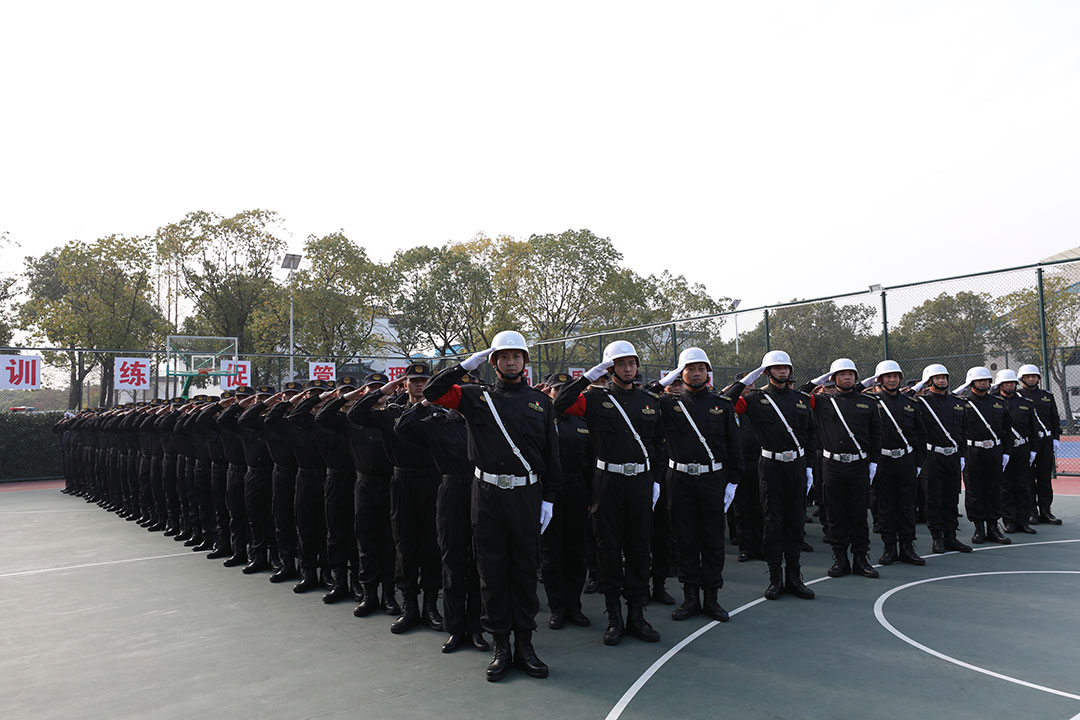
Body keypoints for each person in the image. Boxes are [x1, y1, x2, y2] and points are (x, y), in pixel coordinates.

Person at [425, 330, 561, 682]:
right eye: (503, 356)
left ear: (524, 362)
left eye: (516, 356)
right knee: (492, 571)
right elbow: (433, 392)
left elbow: (551, 454)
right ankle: (501, 646)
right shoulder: (475, 397)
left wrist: (548, 499)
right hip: (486, 496)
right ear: (493, 362)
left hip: (526, 495)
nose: (511, 362)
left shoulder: (540, 402)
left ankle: (525, 646)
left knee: (525, 570)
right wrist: (463, 366)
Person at [554, 340, 661, 646]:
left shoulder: (650, 400)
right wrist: (589, 376)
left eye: (632, 363)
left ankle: (637, 615)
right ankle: (614, 617)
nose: (627, 369)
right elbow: (560, 405)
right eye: (621, 364)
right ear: (610, 368)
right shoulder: (594, 398)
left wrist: (655, 480)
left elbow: (658, 442)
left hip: (640, 480)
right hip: (608, 481)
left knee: (639, 548)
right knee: (608, 548)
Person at [396, 375, 489, 653]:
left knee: (479, 562)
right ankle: (455, 627)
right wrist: (426, 401)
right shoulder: (436, 422)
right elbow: (403, 427)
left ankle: (476, 626)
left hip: (482, 491)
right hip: (450, 492)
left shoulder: (486, 422)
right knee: (451, 559)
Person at [351, 364, 443, 634]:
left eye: (424, 380)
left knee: (431, 545)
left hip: (431, 481)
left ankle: (430, 606)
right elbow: (356, 414)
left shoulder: (438, 412)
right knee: (404, 545)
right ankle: (409, 606)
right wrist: (382, 391)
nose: (419, 384)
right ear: (404, 384)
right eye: (413, 380)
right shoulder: (391, 413)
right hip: (401, 482)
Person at [723, 351, 817, 600]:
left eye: (786, 367)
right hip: (770, 466)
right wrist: (746, 381)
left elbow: (811, 434)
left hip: (796, 465)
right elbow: (725, 403)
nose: (783, 371)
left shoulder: (802, 399)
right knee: (773, 521)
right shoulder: (754, 399)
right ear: (767, 372)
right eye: (776, 367)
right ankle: (775, 578)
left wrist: (808, 466)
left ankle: (794, 577)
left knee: (795, 521)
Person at [657, 347, 742, 621]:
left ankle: (712, 598)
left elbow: (734, 447)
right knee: (685, 539)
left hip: (712, 479)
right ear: (680, 373)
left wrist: (733, 483)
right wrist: (664, 382)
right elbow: (642, 396)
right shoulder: (667, 404)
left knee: (713, 540)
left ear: (708, 373)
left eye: (701, 369)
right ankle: (690, 597)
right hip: (680, 480)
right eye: (690, 369)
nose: (696, 373)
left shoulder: (722, 405)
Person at [536, 372, 593, 630]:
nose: (560, 394)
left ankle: (574, 606)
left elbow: (591, 459)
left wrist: (590, 496)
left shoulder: (582, 421)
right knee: (552, 554)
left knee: (577, 552)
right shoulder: (542, 419)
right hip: (550, 491)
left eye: (565, 389)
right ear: (549, 392)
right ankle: (557, 608)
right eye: (556, 389)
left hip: (577, 489)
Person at [863, 361, 927, 566]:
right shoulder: (871, 402)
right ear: (880, 379)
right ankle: (889, 547)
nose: (892, 380)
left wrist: (919, 462)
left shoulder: (911, 404)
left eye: (895, 376)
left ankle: (907, 547)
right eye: (888, 376)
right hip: (882, 460)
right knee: (885, 505)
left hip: (906, 459)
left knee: (907, 505)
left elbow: (920, 434)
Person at [914, 364, 972, 554]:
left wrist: (962, 455)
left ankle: (951, 536)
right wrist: (919, 385)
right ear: (929, 381)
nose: (942, 381)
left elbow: (963, 431)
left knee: (951, 497)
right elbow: (903, 398)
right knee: (933, 498)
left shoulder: (957, 402)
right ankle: (937, 537)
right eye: (937, 378)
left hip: (953, 456)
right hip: (932, 457)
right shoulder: (921, 403)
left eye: (944, 377)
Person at [957, 367, 1013, 545]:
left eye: (986, 380)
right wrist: (962, 455)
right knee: (974, 490)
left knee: (994, 489)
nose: (983, 383)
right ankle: (979, 528)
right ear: (971, 382)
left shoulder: (999, 403)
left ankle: (993, 527)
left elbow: (1007, 431)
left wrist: (1006, 452)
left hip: (994, 451)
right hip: (972, 451)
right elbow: (958, 431)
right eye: (979, 380)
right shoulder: (962, 404)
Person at [1016, 364, 1064, 525]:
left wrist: (1056, 438)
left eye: (1034, 376)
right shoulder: (1017, 396)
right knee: (1027, 478)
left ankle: (1046, 511)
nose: (1031, 379)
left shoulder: (1047, 396)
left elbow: (1054, 418)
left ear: (1038, 378)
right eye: (1028, 376)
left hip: (1045, 442)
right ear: (1021, 378)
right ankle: (1031, 512)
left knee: (1044, 478)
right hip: (1028, 442)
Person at [992, 369, 1039, 535]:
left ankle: (1024, 521)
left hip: (1022, 448)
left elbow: (1034, 428)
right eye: (1006, 383)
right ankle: (1009, 521)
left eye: (1012, 383)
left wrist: (1033, 450)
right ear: (1000, 385)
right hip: (1004, 450)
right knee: (1006, 486)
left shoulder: (1025, 403)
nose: (1010, 385)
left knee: (1023, 485)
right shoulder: (994, 403)